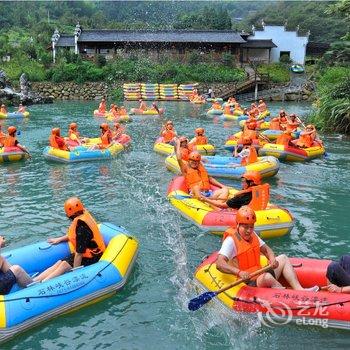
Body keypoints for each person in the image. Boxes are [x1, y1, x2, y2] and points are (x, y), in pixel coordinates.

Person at [216, 206, 319, 291]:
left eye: (251, 227)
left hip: (259, 275)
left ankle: (299, 290)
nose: (248, 231)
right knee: (268, 278)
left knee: (283, 258)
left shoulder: (253, 235)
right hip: (246, 282)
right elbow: (219, 264)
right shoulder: (230, 241)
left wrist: (272, 259)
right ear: (238, 225)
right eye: (245, 227)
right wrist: (239, 272)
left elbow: (266, 250)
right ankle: (283, 294)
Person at [34, 197, 106, 282]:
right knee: (59, 263)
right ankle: (34, 281)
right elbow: (74, 236)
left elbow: (79, 254)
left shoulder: (82, 228)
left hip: (94, 257)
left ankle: (42, 284)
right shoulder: (83, 217)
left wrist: (75, 275)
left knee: (64, 265)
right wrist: (60, 239)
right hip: (87, 254)